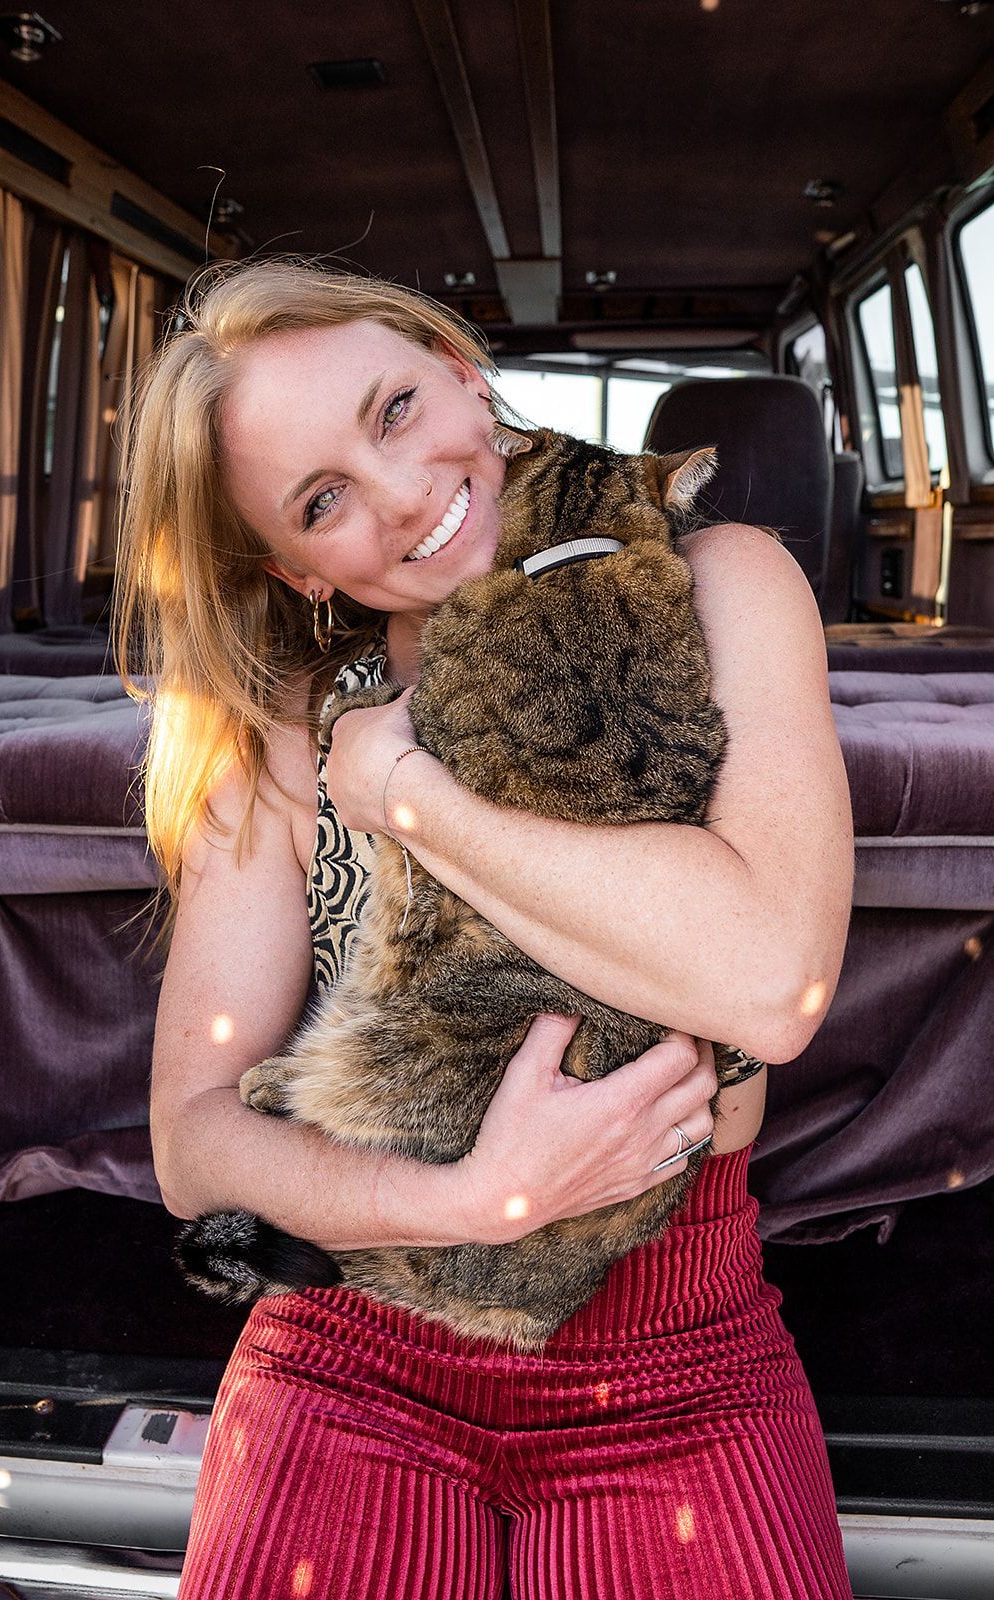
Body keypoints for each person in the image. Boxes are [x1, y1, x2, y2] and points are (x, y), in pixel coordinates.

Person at [116, 258, 855, 1598]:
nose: (403, 494)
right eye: (323, 499)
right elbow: (195, 1141)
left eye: (395, 407)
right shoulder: (280, 724)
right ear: (294, 563)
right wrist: (470, 1201)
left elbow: (771, 986)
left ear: (463, 369)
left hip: (678, 1354)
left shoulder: (722, 584)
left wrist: (406, 795)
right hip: (352, 1341)